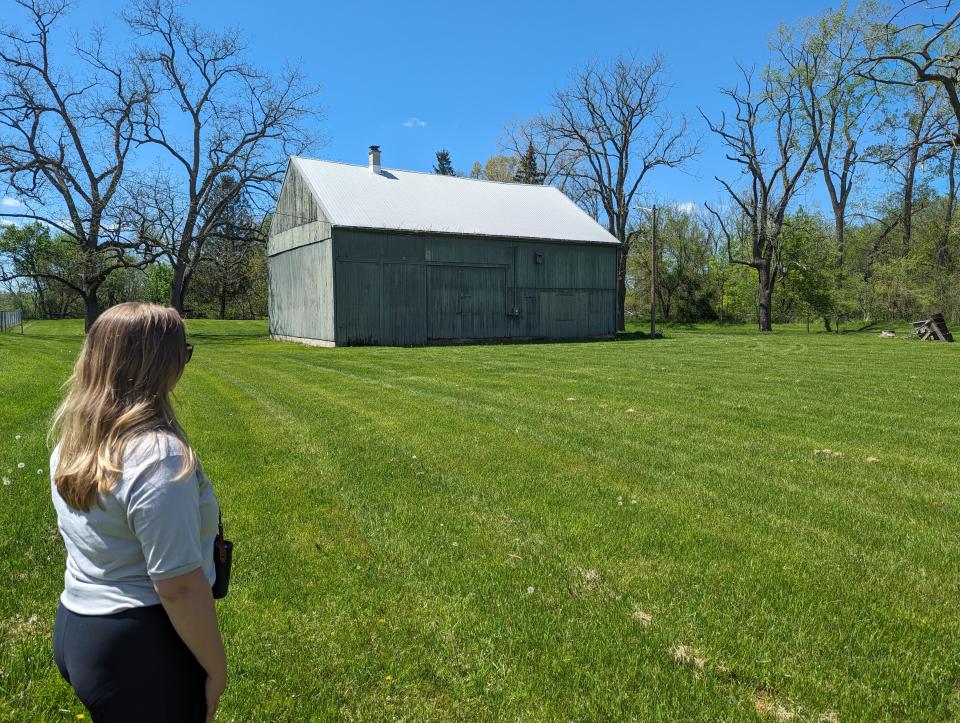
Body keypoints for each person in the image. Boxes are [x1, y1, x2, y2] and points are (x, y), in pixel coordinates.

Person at [49, 302, 226, 722]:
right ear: (157, 363)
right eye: (183, 353)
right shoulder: (157, 456)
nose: (185, 363)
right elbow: (177, 586)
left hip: (79, 626)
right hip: (142, 647)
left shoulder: (73, 444)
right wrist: (217, 668)